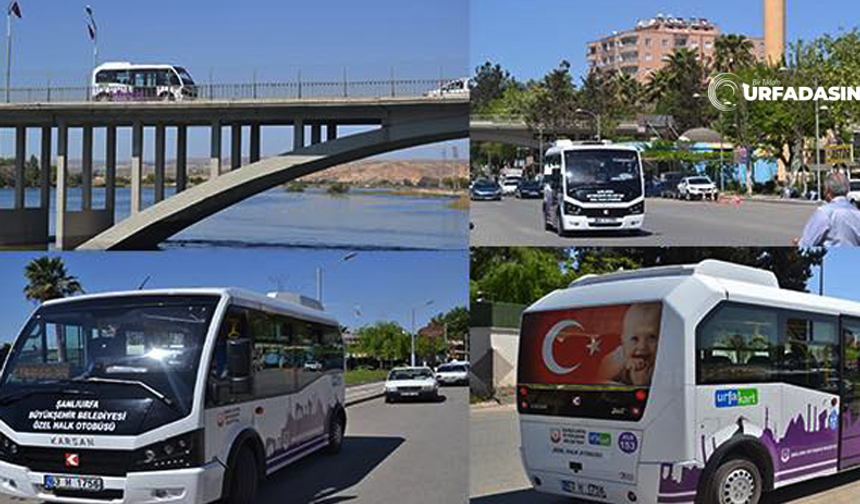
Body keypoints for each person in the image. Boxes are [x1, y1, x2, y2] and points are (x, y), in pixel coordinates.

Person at [597, 303, 661, 386]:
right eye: (634, 338)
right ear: (623, 340)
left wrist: (640, 377)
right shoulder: (619, 357)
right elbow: (600, 376)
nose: (642, 346)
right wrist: (624, 364)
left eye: (652, 337)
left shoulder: (662, 361)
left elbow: (641, 384)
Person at [797, 172, 860, 248]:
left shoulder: (825, 212)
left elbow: (806, 243)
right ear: (847, 190)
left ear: (828, 191)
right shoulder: (857, 212)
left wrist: (798, 242)